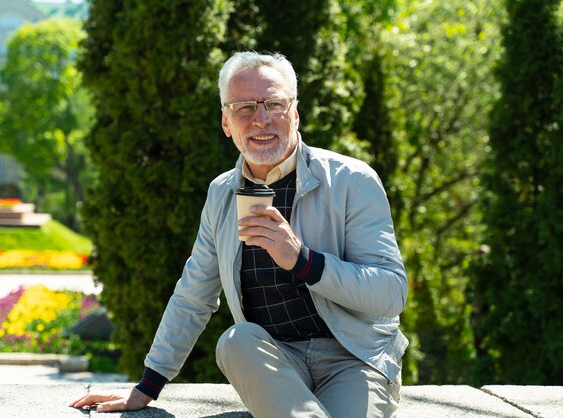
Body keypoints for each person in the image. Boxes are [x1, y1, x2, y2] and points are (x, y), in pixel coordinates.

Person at [71, 51, 408, 418]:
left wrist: (302, 260)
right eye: (244, 107)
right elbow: (193, 296)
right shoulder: (222, 193)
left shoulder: (351, 180)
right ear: (226, 122)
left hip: (353, 360)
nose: (261, 119)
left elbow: (390, 293)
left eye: (274, 104)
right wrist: (146, 388)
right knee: (235, 340)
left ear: (295, 113)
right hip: (274, 362)